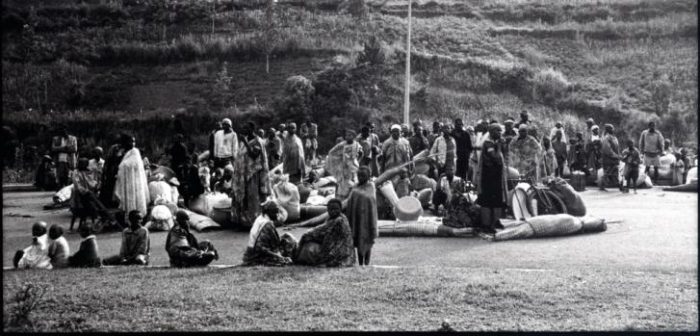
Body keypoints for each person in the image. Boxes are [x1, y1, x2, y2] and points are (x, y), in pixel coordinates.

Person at [294, 198, 355, 267]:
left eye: (336, 209)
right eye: (331, 209)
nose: (334, 211)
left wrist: (307, 236)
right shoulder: (339, 218)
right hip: (347, 256)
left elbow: (316, 232)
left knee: (309, 246)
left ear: (340, 209)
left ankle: (299, 259)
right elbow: (321, 231)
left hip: (339, 255)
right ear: (328, 210)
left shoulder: (339, 220)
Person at [231, 122, 270, 228]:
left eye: (246, 128)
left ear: (252, 129)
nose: (243, 130)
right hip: (243, 175)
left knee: (253, 197)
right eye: (243, 128)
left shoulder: (257, 141)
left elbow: (254, 155)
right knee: (244, 197)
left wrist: (245, 142)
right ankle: (243, 220)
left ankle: (254, 221)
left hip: (253, 174)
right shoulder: (245, 140)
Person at [475, 124, 508, 234]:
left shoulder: (494, 143)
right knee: (487, 201)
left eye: (500, 131)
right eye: (498, 131)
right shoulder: (489, 143)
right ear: (492, 132)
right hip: (489, 177)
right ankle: (487, 225)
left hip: (496, 176)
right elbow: (495, 157)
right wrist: (499, 147)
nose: (500, 133)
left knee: (497, 201)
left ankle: (495, 222)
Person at [242, 201, 292, 266]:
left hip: (249, 255)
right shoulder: (268, 224)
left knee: (285, 237)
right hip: (255, 257)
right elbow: (274, 245)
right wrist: (280, 257)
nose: (277, 214)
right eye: (275, 212)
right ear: (270, 213)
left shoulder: (260, 218)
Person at [346, 166, 378, 266]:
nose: (361, 178)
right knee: (359, 239)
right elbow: (350, 201)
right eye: (359, 175)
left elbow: (370, 199)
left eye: (363, 176)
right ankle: (360, 262)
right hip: (357, 218)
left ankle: (367, 262)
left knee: (368, 239)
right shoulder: (355, 187)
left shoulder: (371, 186)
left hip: (368, 218)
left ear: (368, 176)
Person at [114, 135, 150, 216]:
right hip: (128, 181)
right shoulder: (123, 153)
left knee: (135, 200)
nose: (133, 144)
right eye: (130, 141)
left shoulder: (135, 152)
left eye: (134, 141)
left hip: (134, 181)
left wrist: (121, 166)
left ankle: (135, 216)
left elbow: (130, 164)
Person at [326, 129, 363, 199]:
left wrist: (358, 160)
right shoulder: (342, 144)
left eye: (350, 135)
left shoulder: (356, 144)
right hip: (344, 167)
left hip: (354, 167)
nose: (347, 137)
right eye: (346, 135)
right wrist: (339, 158)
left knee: (354, 181)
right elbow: (331, 152)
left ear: (354, 136)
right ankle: (342, 197)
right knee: (343, 182)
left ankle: (352, 196)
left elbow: (361, 153)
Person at [70, 158, 101, 232]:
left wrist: (96, 184)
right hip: (78, 194)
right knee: (76, 211)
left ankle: (82, 226)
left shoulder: (86, 171)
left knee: (86, 210)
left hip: (85, 194)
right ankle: (71, 227)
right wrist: (85, 190)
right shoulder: (76, 172)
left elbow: (90, 181)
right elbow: (77, 184)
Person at [100, 133, 129, 208]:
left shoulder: (128, 149)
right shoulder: (114, 148)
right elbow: (108, 160)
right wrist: (105, 172)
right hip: (113, 170)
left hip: (122, 171)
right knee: (109, 188)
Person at [599, 124, 621, 191]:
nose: (613, 130)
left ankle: (618, 186)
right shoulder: (606, 138)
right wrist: (616, 156)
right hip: (608, 160)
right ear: (608, 130)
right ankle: (602, 185)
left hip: (614, 159)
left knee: (613, 173)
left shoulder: (614, 138)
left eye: (613, 128)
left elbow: (617, 148)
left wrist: (618, 156)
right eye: (611, 128)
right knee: (608, 173)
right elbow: (607, 150)